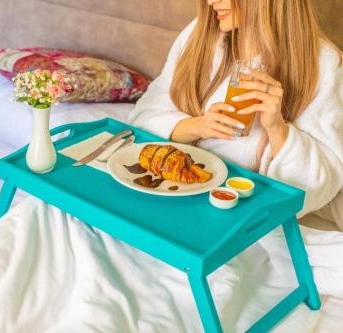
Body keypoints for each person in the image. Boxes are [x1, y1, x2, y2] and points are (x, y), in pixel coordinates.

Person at [129, 0, 343, 228]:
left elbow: (319, 186)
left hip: (242, 220)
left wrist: (277, 128)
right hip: (167, 195)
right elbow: (142, 117)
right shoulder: (198, 35)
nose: (211, 2)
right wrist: (197, 126)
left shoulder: (322, 64)